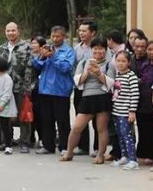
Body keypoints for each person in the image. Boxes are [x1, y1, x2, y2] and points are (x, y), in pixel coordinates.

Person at [61, 37, 115, 163]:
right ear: (91, 50)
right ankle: (69, 152)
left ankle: (100, 155)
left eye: (101, 49)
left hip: (102, 98)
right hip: (87, 98)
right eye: (95, 48)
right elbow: (77, 81)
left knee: (101, 128)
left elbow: (110, 84)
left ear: (106, 50)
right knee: (77, 127)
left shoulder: (109, 65)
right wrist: (87, 72)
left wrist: (98, 73)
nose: (98, 51)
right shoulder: (84, 63)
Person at [31, 26, 75, 155]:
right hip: (45, 90)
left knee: (62, 121)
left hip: (61, 90)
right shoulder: (47, 48)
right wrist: (41, 56)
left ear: (64, 37)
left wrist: (53, 56)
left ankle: (64, 147)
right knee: (46, 119)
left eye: (58, 36)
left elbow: (66, 67)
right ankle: (48, 145)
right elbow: (37, 66)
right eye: (53, 36)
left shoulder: (68, 51)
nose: (55, 39)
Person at [0, 22, 33, 153]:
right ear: (5, 32)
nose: (11, 33)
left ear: (18, 31)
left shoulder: (26, 47)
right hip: (4, 88)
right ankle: (6, 141)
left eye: (13, 30)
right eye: (8, 31)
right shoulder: (1, 48)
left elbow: (29, 68)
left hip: (20, 87)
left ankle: (24, 142)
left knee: (23, 115)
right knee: (4, 115)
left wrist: (27, 87)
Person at [132, 37, 153, 164]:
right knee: (144, 130)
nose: (152, 52)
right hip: (143, 101)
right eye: (150, 49)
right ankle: (145, 154)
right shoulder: (144, 65)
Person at [72, 19, 98, 154]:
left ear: (93, 32)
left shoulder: (99, 47)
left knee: (96, 118)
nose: (81, 33)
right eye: (80, 30)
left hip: (95, 88)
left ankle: (97, 148)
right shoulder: (76, 48)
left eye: (84, 31)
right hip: (80, 87)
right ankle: (83, 146)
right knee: (80, 116)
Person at [111, 51, 140, 169]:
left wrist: (132, 111)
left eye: (123, 61)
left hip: (125, 112)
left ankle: (133, 160)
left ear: (129, 62)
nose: (120, 63)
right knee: (120, 135)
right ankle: (124, 157)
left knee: (127, 135)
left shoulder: (131, 76)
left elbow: (135, 94)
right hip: (116, 111)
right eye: (118, 61)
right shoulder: (117, 75)